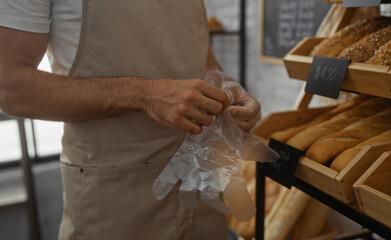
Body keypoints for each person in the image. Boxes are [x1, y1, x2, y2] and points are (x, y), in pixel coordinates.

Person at [0, 1, 261, 239]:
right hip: (117, 192)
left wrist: (225, 87)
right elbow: (11, 87)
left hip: (202, 181)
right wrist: (143, 94)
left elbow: (199, 56)